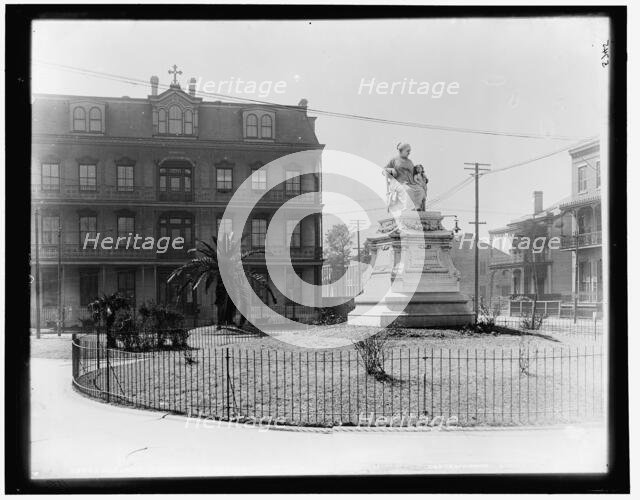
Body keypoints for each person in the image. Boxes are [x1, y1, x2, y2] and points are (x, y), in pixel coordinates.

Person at [383, 142, 426, 214]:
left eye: (409, 151)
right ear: (401, 151)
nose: (409, 153)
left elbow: (413, 173)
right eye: (407, 151)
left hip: (410, 182)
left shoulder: (410, 162)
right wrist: (391, 170)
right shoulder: (394, 160)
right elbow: (384, 171)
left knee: (421, 190)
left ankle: (416, 207)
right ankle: (406, 209)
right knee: (407, 190)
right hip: (398, 182)